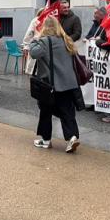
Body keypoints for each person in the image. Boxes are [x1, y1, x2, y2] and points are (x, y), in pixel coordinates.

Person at [28, 17, 82, 152]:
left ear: (45, 27)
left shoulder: (45, 41)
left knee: (45, 112)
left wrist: (35, 38)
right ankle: (72, 138)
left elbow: (33, 53)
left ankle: (45, 140)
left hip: (51, 84)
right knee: (67, 112)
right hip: (69, 83)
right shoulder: (66, 40)